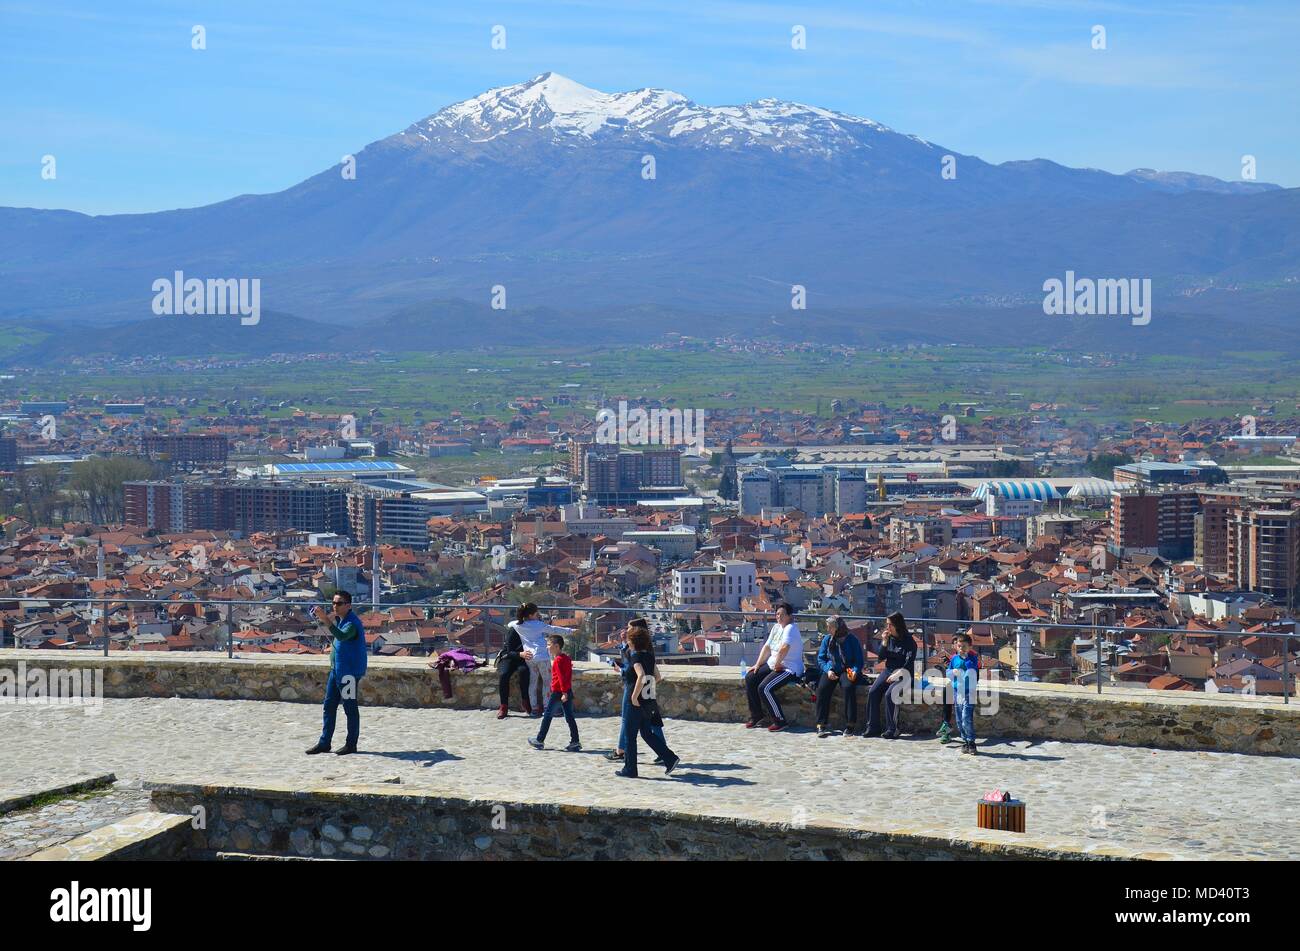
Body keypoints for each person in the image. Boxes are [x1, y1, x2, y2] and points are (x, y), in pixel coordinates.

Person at [305, 591, 367, 756]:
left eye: (339, 603)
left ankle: (351, 744)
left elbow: (341, 636)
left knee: (349, 708)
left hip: (348, 674)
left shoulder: (352, 624)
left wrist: (325, 619)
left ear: (349, 605)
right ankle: (325, 742)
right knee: (329, 706)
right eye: (334, 602)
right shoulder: (341, 620)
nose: (335, 606)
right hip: (337, 671)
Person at [616, 626, 680, 779]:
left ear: (633, 642)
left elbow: (641, 676)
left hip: (635, 700)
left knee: (630, 736)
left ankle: (630, 769)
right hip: (648, 700)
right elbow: (657, 677)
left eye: (629, 639)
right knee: (646, 733)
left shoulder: (635, 657)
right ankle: (670, 758)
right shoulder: (650, 657)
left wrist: (634, 696)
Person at [605, 619, 666, 763]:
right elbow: (655, 675)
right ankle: (663, 751)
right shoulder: (648, 648)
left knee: (628, 719)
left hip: (635, 687)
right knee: (652, 721)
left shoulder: (633, 651)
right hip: (648, 688)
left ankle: (621, 750)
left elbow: (631, 671)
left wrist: (620, 670)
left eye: (629, 628)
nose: (626, 630)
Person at [743, 603, 804, 732]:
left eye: (782, 614)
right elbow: (767, 647)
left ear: (789, 616)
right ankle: (757, 715)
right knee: (750, 678)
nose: (779, 617)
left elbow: (784, 647)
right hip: (775, 664)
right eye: (777, 614)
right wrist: (757, 665)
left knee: (765, 688)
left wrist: (777, 664)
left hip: (788, 667)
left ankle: (780, 721)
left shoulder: (791, 628)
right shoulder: (776, 628)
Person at [509, 602, 570, 717]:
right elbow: (554, 630)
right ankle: (548, 707)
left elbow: (509, 624)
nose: (538, 615)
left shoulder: (517, 625)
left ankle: (535, 709)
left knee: (533, 683)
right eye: (536, 613)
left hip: (529, 657)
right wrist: (570, 631)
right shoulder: (538, 624)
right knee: (547, 682)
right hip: (542, 657)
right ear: (531, 615)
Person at [864, 611, 916, 739]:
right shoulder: (890, 638)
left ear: (897, 625)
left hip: (904, 674)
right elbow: (881, 658)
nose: (887, 628)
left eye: (890, 625)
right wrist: (884, 641)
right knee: (873, 692)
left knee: (890, 694)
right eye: (887, 624)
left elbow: (909, 663)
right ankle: (873, 727)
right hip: (888, 670)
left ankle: (893, 728)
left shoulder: (909, 642)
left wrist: (897, 675)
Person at [529, 634, 581, 751]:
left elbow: (561, 678)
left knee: (547, 715)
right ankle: (575, 741)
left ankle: (539, 740)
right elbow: (568, 676)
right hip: (567, 690)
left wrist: (564, 693)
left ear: (557, 646)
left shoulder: (557, 661)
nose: (547, 647)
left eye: (549, 645)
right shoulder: (567, 658)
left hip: (559, 692)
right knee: (570, 717)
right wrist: (567, 691)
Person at [814, 615, 863, 737]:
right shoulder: (827, 639)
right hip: (832, 669)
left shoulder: (852, 639)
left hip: (848, 669)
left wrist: (855, 671)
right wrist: (828, 670)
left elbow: (859, 660)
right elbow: (821, 659)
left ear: (838, 627)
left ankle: (850, 725)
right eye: (828, 627)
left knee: (848, 687)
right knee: (822, 689)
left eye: (831, 627)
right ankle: (821, 724)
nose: (828, 630)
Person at [949, 632, 980, 755]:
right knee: (958, 719)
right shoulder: (954, 659)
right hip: (958, 692)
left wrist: (966, 658)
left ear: (970, 647)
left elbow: (973, 669)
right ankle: (965, 741)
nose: (962, 649)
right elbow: (948, 673)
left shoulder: (972, 658)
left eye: (964, 646)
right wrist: (952, 672)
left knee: (966, 718)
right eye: (959, 646)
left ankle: (971, 741)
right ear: (956, 646)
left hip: (969, 692)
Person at [496, 619, 532, 718]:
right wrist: (520, 654)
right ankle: (503, 706)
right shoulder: (514, 630)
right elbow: (508, 651)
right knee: (504, 674)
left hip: (522, 659)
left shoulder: (532, 631)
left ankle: (525, 701)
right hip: (509, 657)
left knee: (524, 671)